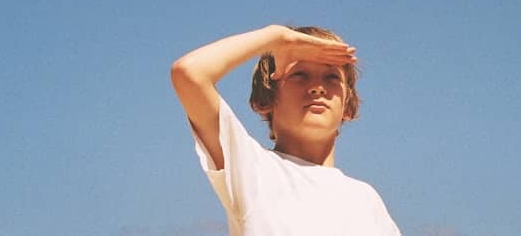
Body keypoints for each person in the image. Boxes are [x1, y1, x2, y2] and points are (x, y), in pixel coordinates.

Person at [170, 24, 401, 235]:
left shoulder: (366, 200)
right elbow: (189, 73)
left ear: (348, 106)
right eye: (300, 75)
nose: (317, 88)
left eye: (331, 77)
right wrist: (276, 38)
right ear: (264, 100)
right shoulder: (254, 169)